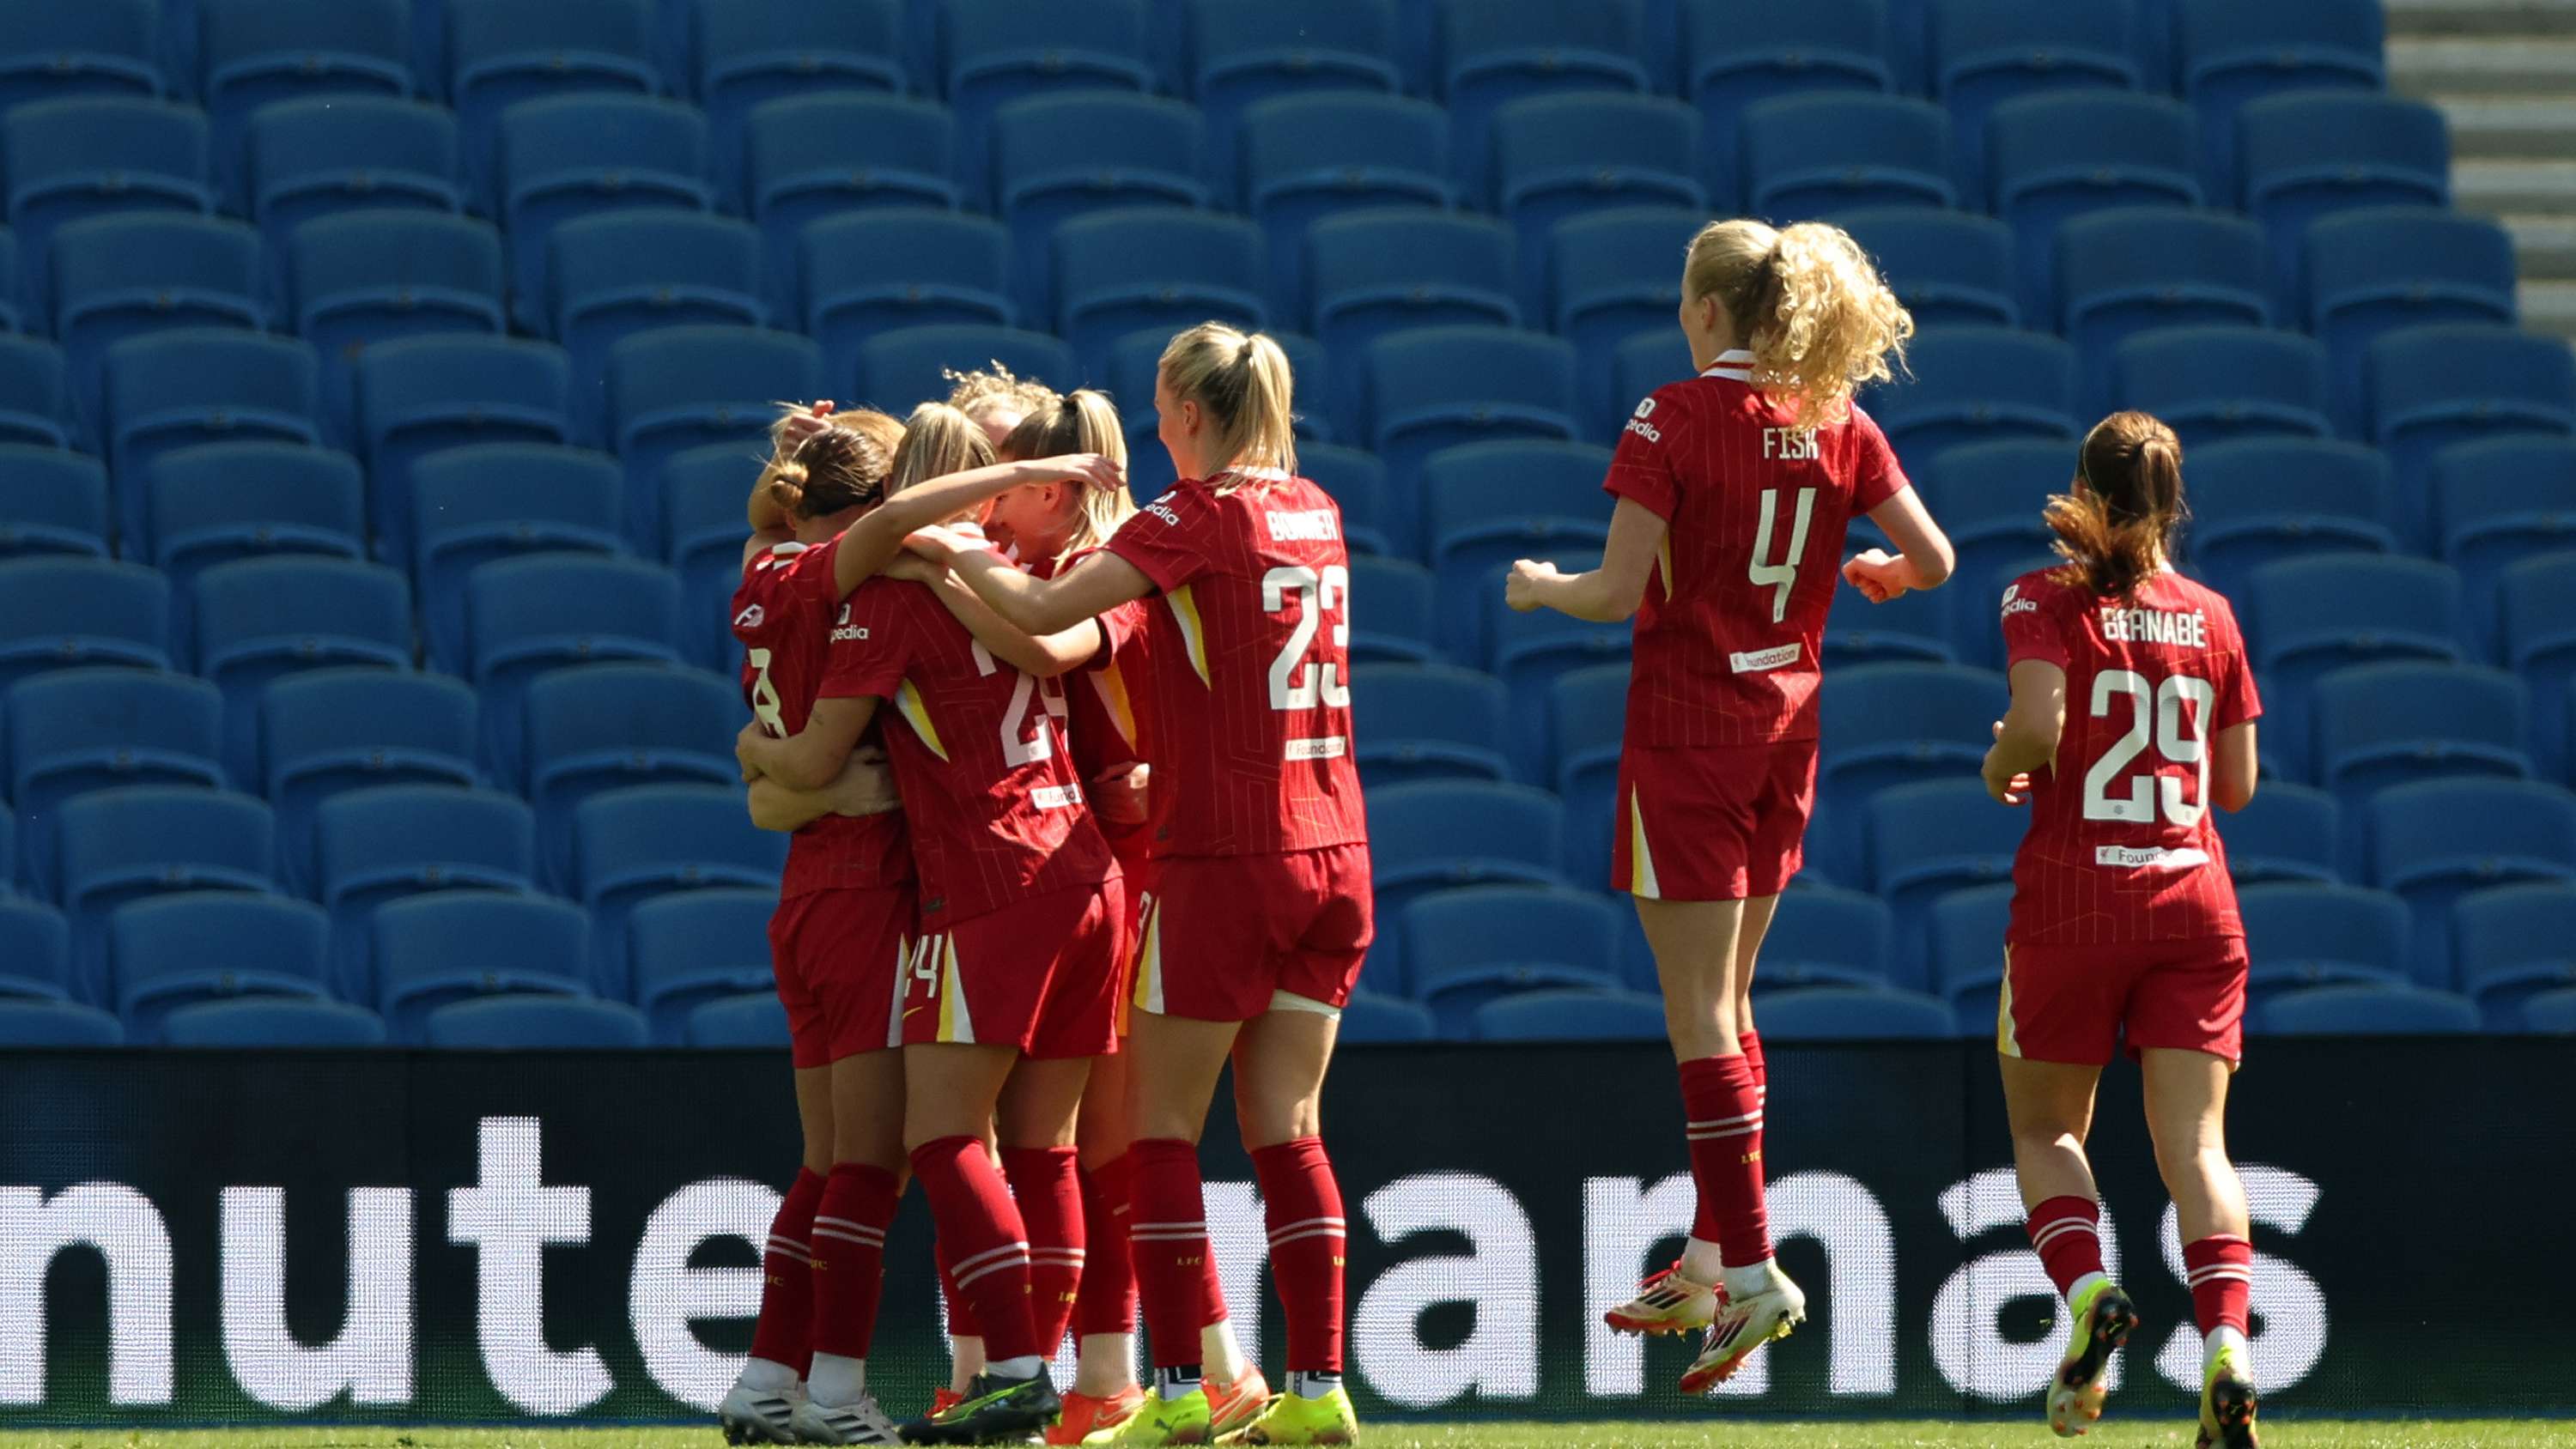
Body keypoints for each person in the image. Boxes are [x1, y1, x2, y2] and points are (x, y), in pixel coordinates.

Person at [1504, 218, 1953, 1393]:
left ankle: (1752, 1266)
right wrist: (1883, 574)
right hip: (1786, 734)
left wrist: (1543, 590)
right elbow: (1938, 558)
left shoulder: (1674, 415)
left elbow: (1612, 592)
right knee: (1736, 1000)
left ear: (1706, 311)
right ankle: (1709, 1256)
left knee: (1697, 1011)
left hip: (1691, 735)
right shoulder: (1836, 419)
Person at [904, 322, 1367, 1446]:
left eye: (1163, 410)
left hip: (1219, 857)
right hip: (1339, 849)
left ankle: (1169, 1393)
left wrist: (928, 546)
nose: (1156, 428)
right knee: (1289, 1133)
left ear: (1192, 416)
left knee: (1154, 1138)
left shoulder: (1187, 519)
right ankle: (1316, 1391)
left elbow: (1043, 624)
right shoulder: (1318, 507)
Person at [739, 403, 1128, 1446]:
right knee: (1042, 1149)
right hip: (1090, 870)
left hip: (982, 880)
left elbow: (817, 759)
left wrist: (754, 752)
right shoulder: (1038, 581)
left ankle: (1003, 1370)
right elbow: (1055, 654)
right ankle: (1074, 1375)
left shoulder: (880, 603)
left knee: (930, 1139)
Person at [981, 390, 1264, 1443]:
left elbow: (1056, 656)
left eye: (1008, 485)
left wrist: (928, 556)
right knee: (1119, 1141)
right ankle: (1216, 1365)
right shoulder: (1119, 561)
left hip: (1139, 864)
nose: (996, 509)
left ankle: (1113, 1372)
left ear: (1058, 487)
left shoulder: (1102, 578)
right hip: (1125, 853)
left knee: (1117, 1142)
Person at [1980, 412, 2263, 1449]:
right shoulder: (2215, 615)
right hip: (2195, 900)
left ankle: (2094, 1290)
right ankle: (2227, 1347)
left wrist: (1998, 762)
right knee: (2197, 1146)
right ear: (2173, 500)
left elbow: (2039, 724)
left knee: (2045, 1130)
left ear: (2081, 492)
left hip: (2073, 901)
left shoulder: (2039, 599)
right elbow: (2233, 786)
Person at [720, 406, 914, 1448]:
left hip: (804, 895)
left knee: (825, 1160)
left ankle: (765, 1379)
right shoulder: (853, 594)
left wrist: (760, 756)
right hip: (867, 895)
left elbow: (764, 515)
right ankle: (836, 1395)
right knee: (870, 1166)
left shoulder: (761, 570)